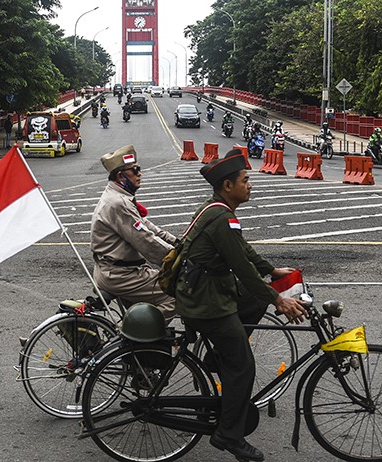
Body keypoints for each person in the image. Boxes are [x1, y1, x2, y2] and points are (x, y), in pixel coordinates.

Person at [175, 150, 308, 461]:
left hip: (207, 291)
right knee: (243, 365)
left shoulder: (218, 210)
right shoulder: (221, 217)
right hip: (206, 302)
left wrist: (272, 271)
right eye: (245, 181)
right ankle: (229, 435)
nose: (250, 185)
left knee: (251, 301)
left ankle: (216, 355)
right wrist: (279, 300)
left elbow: (243, 249)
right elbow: (242, 268)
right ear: (227, 185)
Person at [90, 145, 177, 320]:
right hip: (121, 275)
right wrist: (175, 258)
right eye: (135, 170)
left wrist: (176, 242)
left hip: (120, 271)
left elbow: (145, 226)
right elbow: (145, 240)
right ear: (121, 176)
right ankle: (139, 336)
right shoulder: (118, 202)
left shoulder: (119, 196)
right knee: (178, 292)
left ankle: (142, 341)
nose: (140, 174)